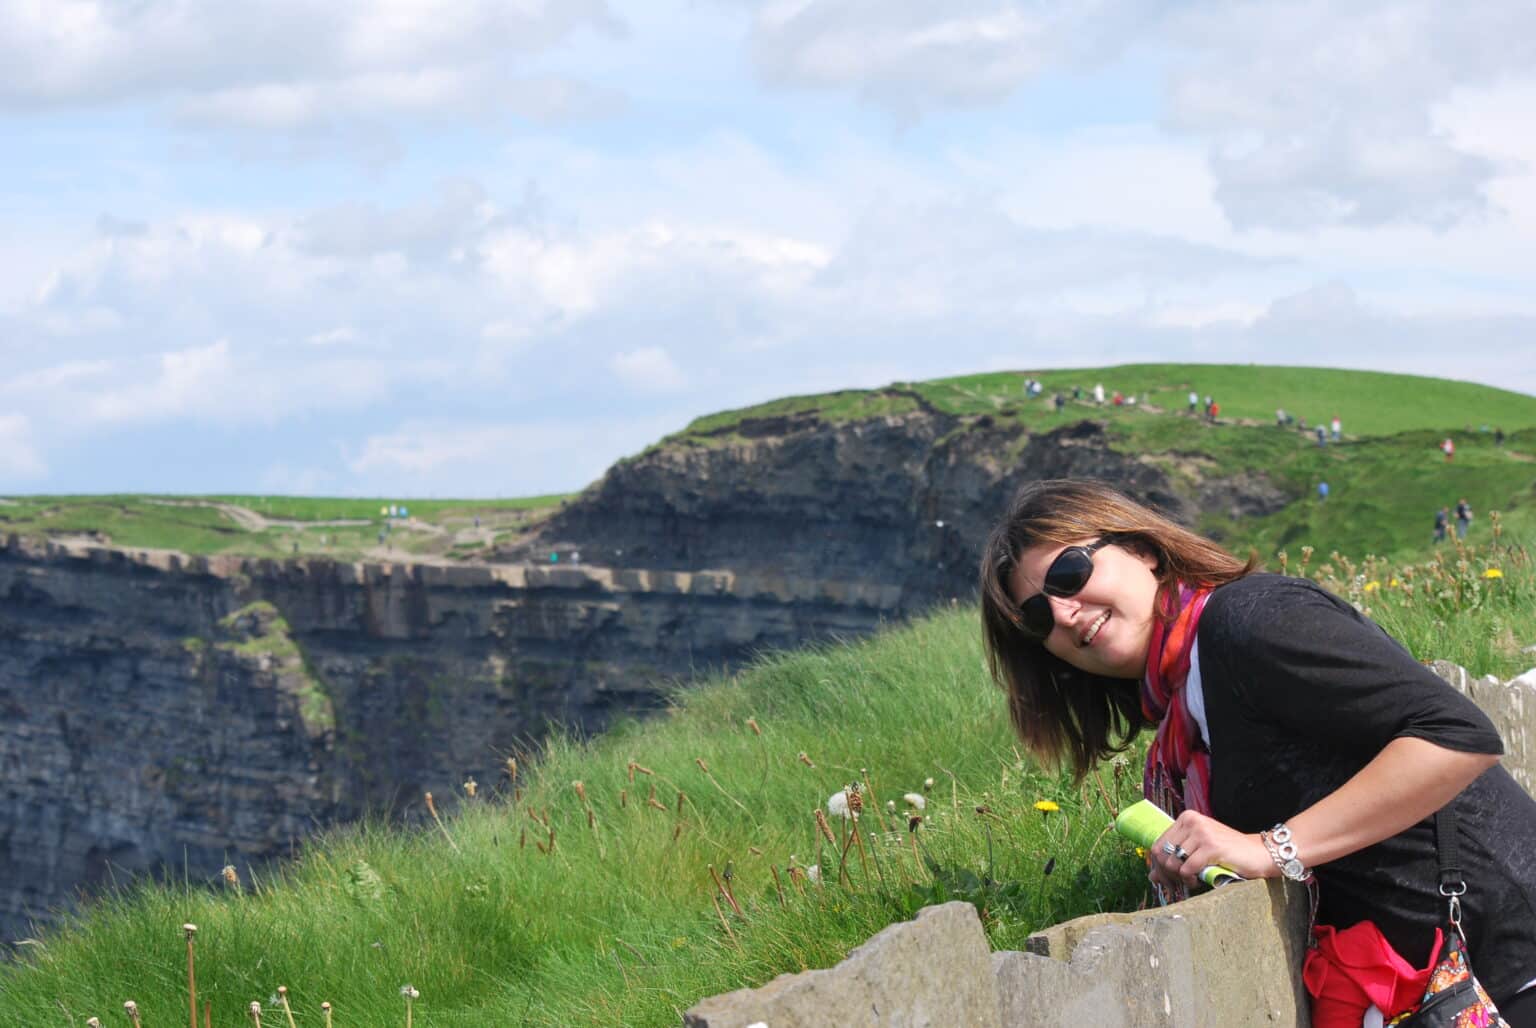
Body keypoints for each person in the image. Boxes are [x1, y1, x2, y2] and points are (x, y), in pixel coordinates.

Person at [979, 480, 1536, 1025]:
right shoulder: (1183, 713)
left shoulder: (1248, 621)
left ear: (1143, 549)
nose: (1066, 612)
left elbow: (1456, 737)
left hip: (1510, 957)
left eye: (1069, 573)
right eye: (1038, 617)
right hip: (1435, 986)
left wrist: (1271, 848)